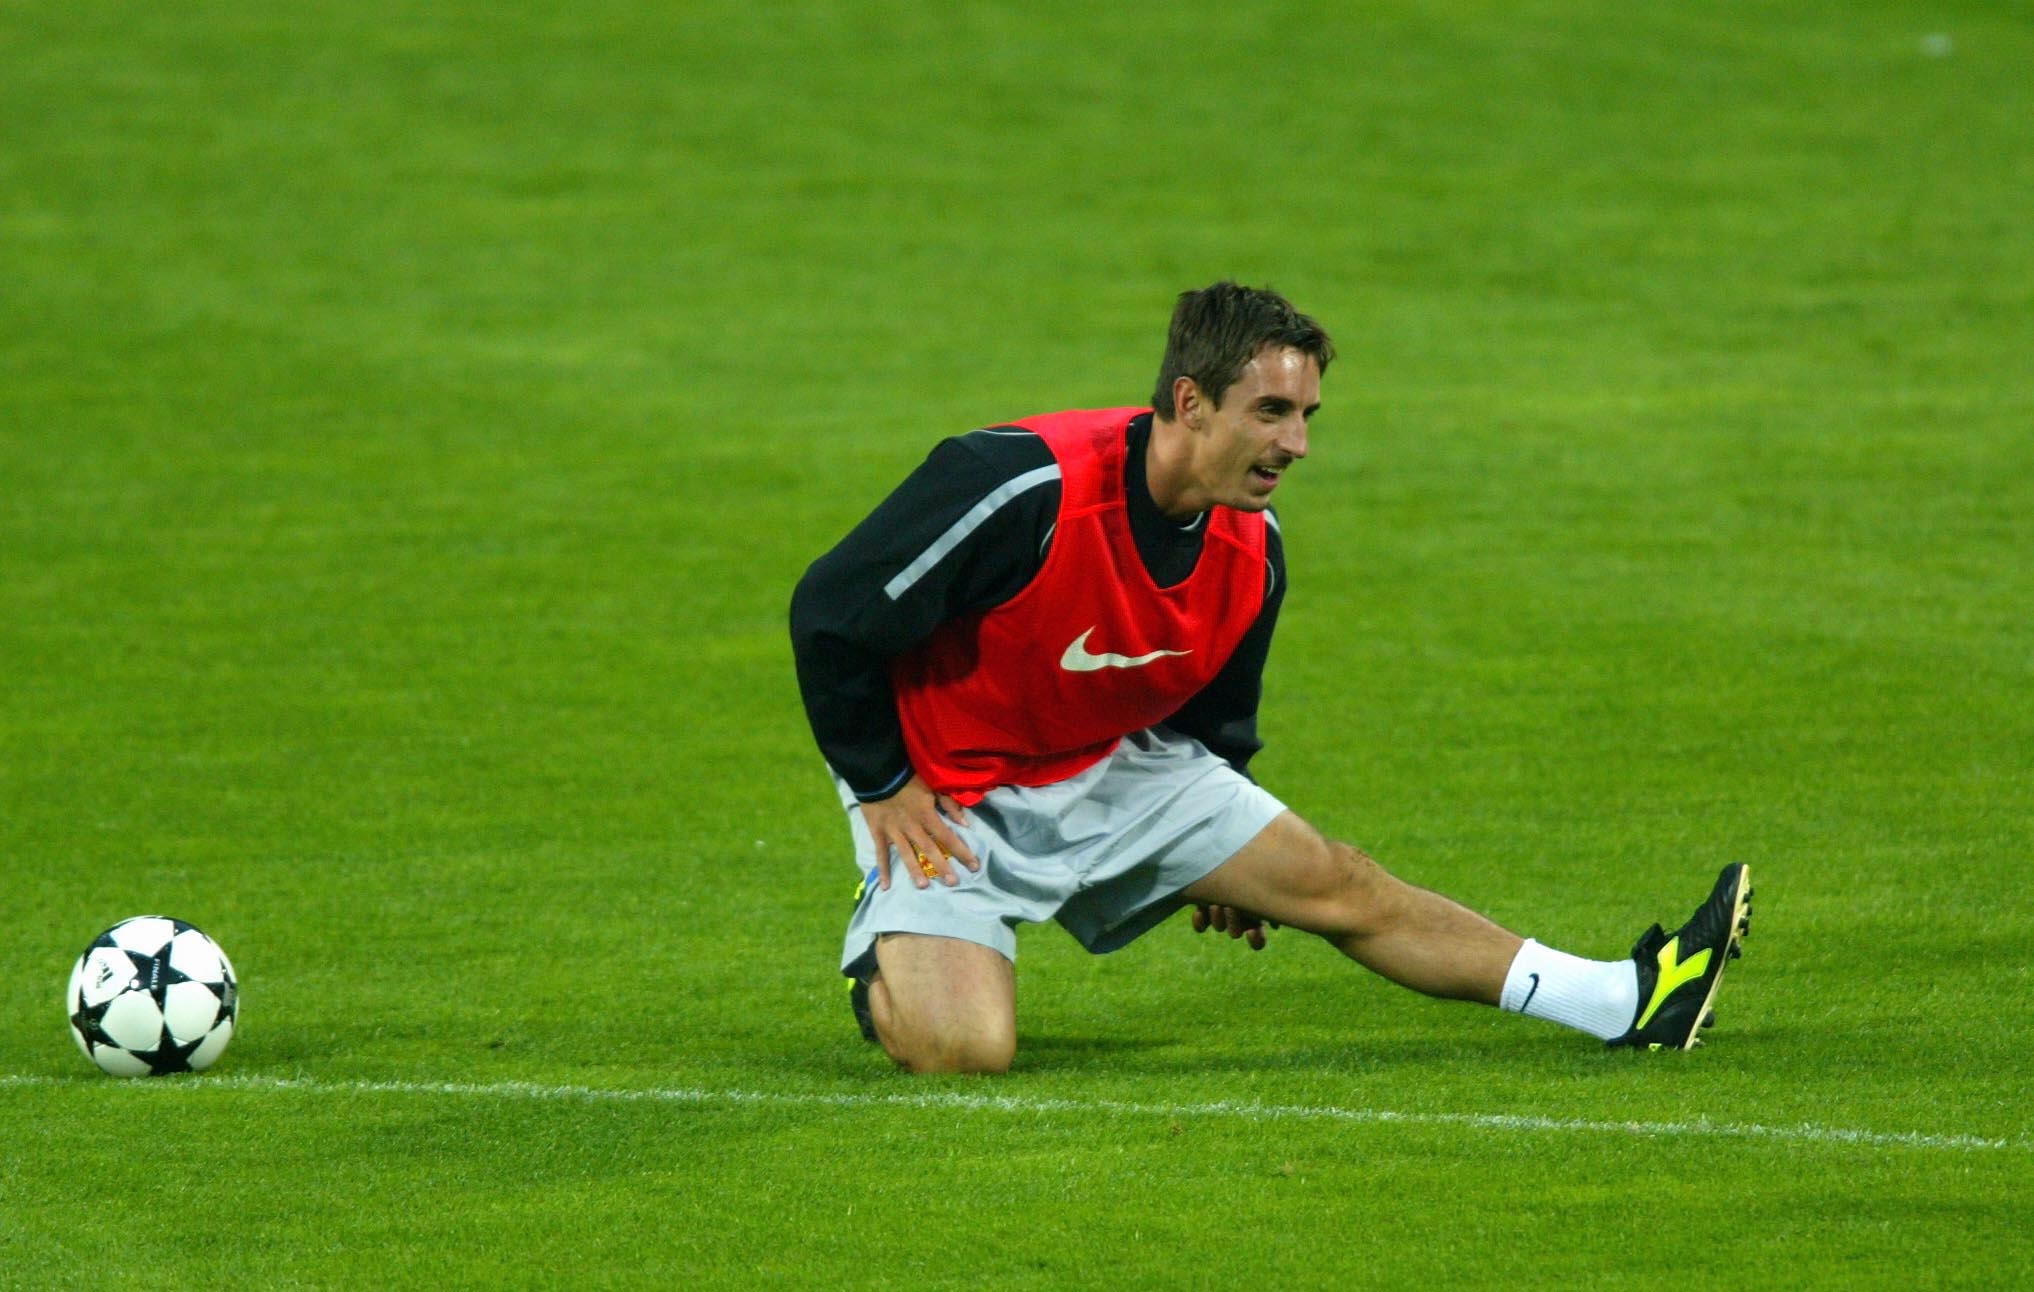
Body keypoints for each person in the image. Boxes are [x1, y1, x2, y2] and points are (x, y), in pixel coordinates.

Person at [789, 282, 1752, 1074]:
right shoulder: (1018, 488)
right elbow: (830, 612)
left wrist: (1215, 856)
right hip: (948, 788)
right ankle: (884, 955)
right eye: (1273, 412)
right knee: (966, 1053)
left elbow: (1212, 730)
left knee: (1335, 880)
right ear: (1189, 403)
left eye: (1306, 415)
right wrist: (880, 779)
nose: (1297, 444)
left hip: (1105, 759)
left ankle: (1623, 999)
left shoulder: (1252, 550)